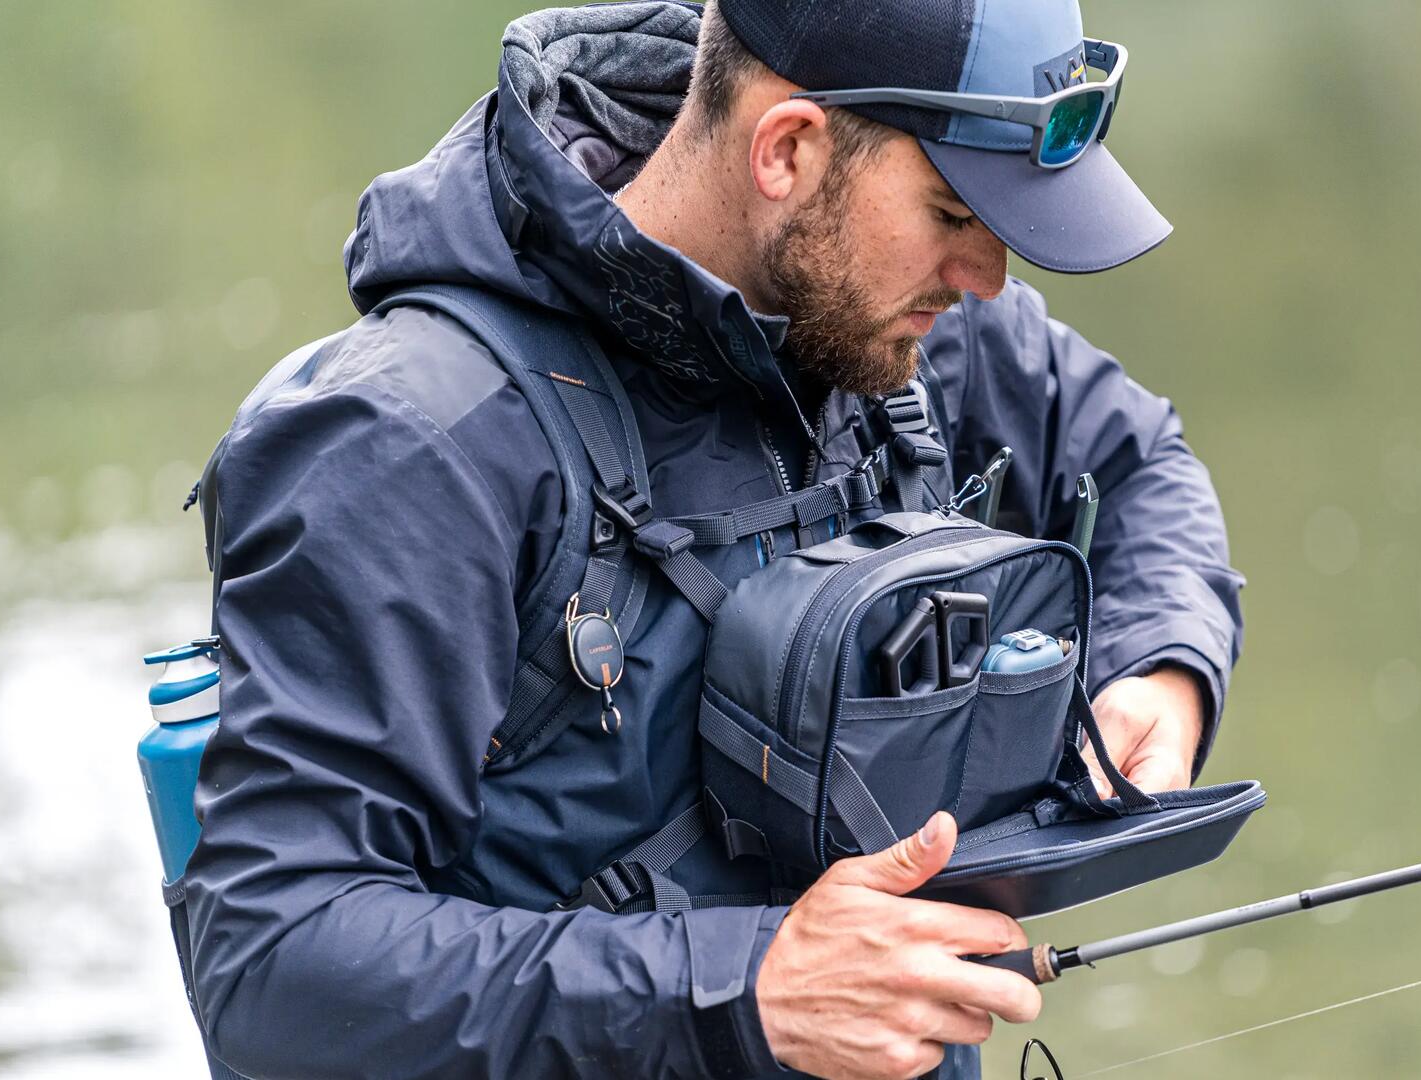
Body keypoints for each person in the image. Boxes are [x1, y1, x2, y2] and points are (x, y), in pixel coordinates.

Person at [183, 0, 1245, 1077]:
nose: (987, 281)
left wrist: (1163, 665)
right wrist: (747, 991)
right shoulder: (417, 445)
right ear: (786, 150)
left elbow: (1135, 457)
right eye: (953, 212)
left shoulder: (899, 324)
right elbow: (272, 966)